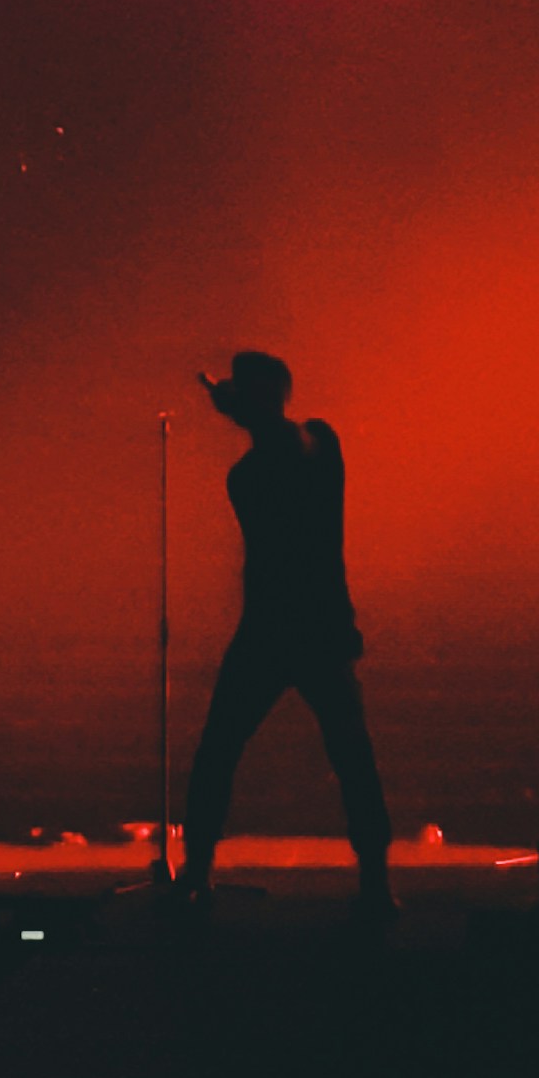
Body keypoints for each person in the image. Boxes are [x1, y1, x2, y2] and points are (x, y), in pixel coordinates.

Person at [176, 352, 393, 921]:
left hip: (291, 628)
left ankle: (373, 877)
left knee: (335, 755)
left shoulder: (309, 443)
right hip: (297, 626)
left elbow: (286, 453)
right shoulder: (257, 471)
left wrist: (242, 416)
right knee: (337, 756)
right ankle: (198, 872)